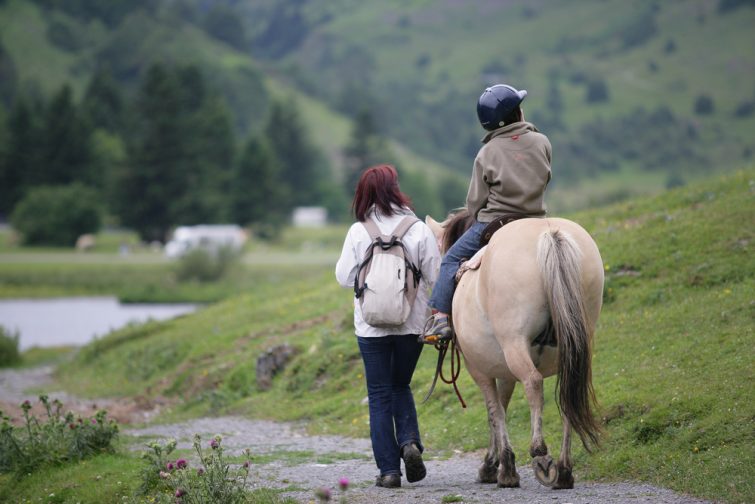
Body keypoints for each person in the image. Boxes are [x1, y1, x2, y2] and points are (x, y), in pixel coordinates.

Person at [336, 164, 441, 488]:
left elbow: (343, 277)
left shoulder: (358, 231)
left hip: (370, 328)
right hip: (411, 325)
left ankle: (389, 471)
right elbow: (436, 276)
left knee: (379, 394)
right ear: (395, 190)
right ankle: (409, 442)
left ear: (364, 193)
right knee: (400, 386)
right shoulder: (417, 228)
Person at [422, 83, 552, 343]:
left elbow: (474, 203)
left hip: (494, 223)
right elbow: (545, 177)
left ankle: (440, 319)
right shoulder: (542, 141)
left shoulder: (487, 153)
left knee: (450, 261)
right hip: (535, 219)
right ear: (517, 114)